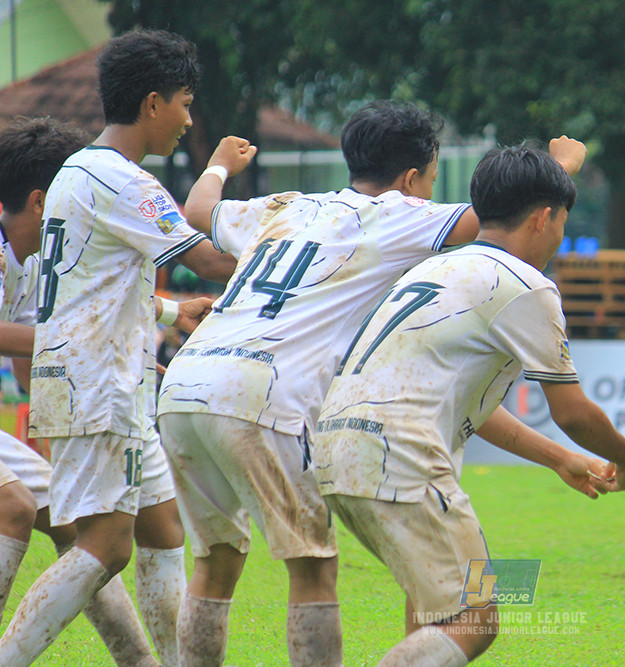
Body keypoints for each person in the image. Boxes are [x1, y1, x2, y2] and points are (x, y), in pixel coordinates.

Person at [157, 100, 591, 666]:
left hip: (185, 384)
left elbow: (199, 209)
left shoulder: (287, 205)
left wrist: (216, 165)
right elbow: (503, 217)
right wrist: (558, 171)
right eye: (432, 182)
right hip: (268, 394)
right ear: (412, 179)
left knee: (214, 562)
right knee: (315, 567)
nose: (432, 195)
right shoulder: (400, 217)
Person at [314, 143, 625, 667]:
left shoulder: (438, 269)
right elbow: (573, 412)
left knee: (433, 608)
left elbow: (477, 408)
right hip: (401, 453)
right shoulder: (524, 285)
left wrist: (559, 459)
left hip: (338, 444)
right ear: (544, 218)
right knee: (477, 614)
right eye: (562, 221)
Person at [0, 31, 241, 667]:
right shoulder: (120, 179)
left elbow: (92, 286)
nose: (188, 119)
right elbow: (211, 257)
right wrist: (231, 186)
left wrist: (161, 313)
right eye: (186, 104)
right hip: (97, 386)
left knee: (162, 528)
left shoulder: (78, 173)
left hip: (112, 382)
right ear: (154, 102)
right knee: (105, 547)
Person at [0, 115, 169, 666]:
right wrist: (93, 347)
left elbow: (36, 351)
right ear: (41, 198)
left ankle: (136, 659)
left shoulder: (30, 265)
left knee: (74, 522)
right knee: (14, 505)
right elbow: (48, 339)